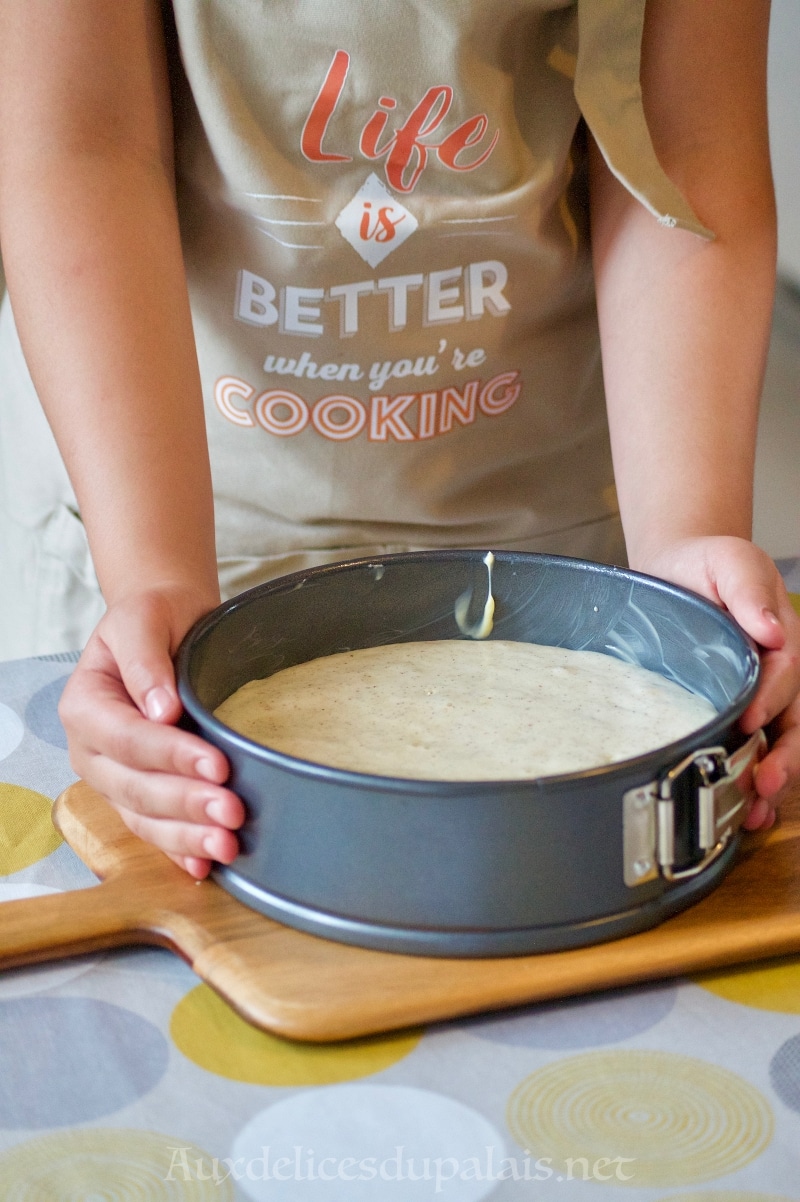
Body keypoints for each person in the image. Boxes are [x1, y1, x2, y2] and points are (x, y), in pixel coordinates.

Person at [0, 0, 797, 879]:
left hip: (556, 531)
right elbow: (84, 146)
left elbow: (682, 149)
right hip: (175, 524)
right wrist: (152, 573)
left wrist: (684, 547)